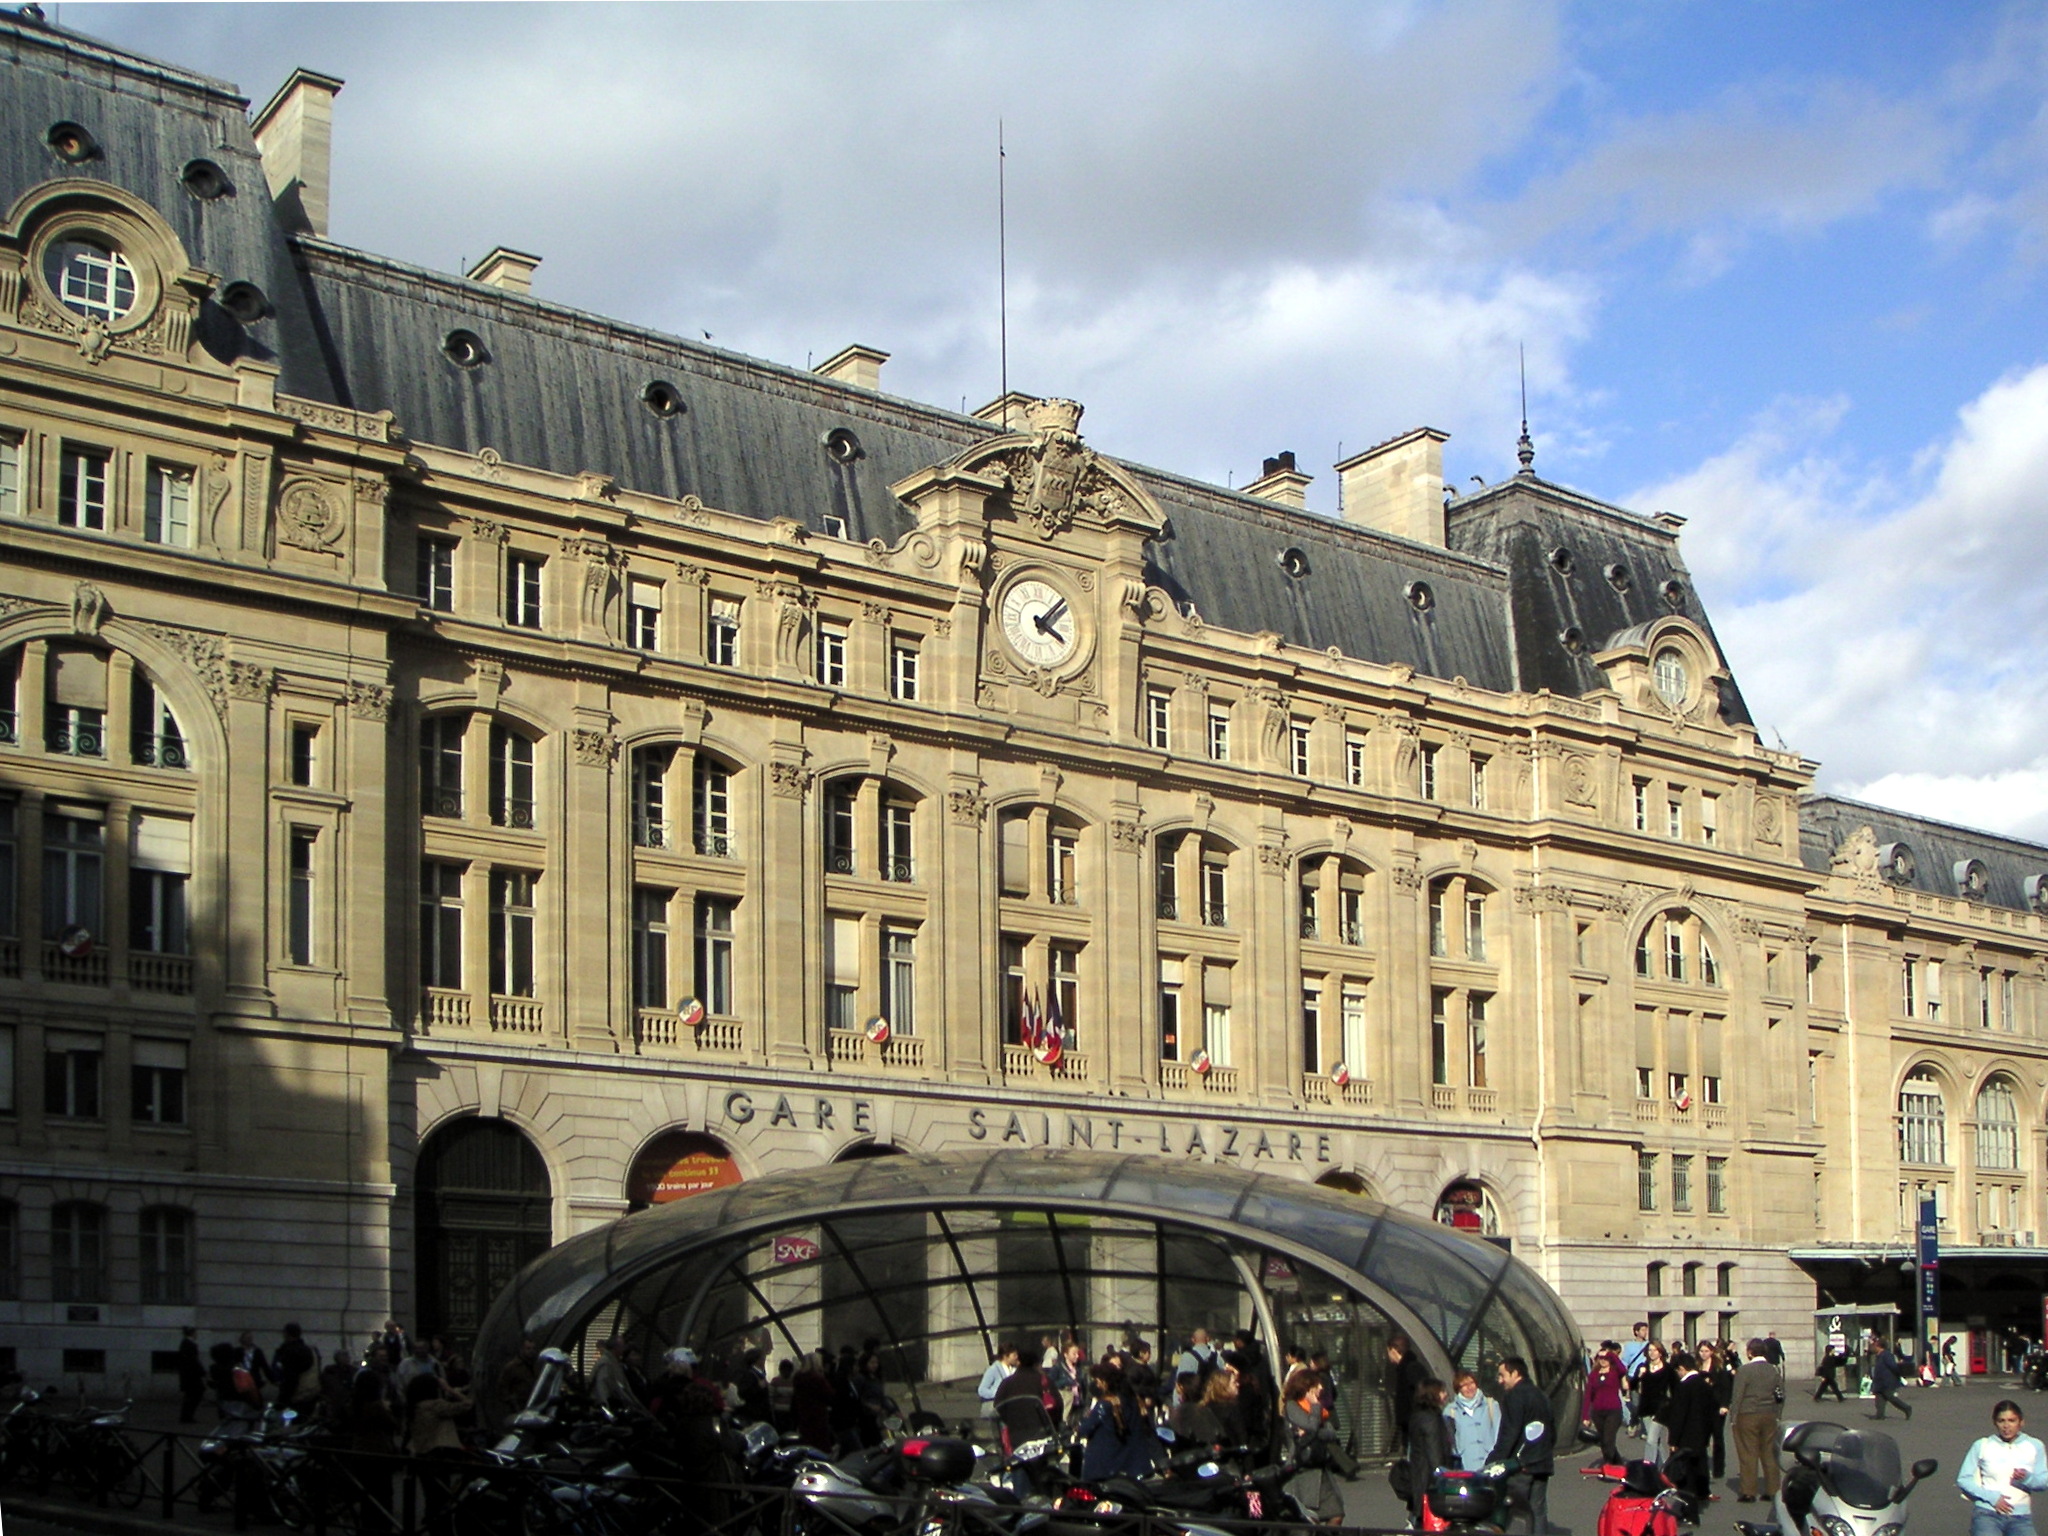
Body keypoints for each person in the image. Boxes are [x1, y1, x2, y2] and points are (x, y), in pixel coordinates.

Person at [1959, 1399, 2048, 1536]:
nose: (2006, 1426)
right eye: (2001, 1421)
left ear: (2021, 1422)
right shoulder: (1982, 1445)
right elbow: (1964, 1479)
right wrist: (1992, 1498)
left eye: (2011, 1420)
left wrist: (2027, 1478)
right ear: (1995, 1422)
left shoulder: (2034, 1446)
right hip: (1987, 1514)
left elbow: (2044, 1481)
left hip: (2021, 1517)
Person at [1487, 1357, 1554, 1536]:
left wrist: (1494, 1460)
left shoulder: (1515, 1396)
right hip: (1542, 1461)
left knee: (1514, 1511)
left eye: (1502, 1375)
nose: (1500, 1381)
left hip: (1520, 1463)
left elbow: (1510, 1433)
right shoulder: (1541, 1394)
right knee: (1537, 1511)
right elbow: (1551, 1431)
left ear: (1515, 1373)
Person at [1076, 1363, 1156, 1480]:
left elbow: (1086, 1428)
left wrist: (1078, 1427)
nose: (1097, 1385)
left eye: (1097, 1381)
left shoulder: (1105, 1405)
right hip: (1133, 1465)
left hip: (1105, 1467)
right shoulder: (1134, 1401)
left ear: (1105, 1382)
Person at [1730, 1338, 1784, 1504]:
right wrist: (1777, 1415)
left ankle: (1748, 1492)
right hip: (1768, 1414)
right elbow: (1780, 1394)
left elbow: (1738, 1395)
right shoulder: (1773, 1370)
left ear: (1750, 1352)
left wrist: (1734, 1417)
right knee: (1768, 1452)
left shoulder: (1744, 1371)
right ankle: (1772, 1490)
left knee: (1748, 1453)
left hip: (1747, 1414)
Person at [1661, 1351, 1715, 1504]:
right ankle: (1703, 1492)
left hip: (1687, 1434)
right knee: (1700, 1464)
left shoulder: (1684, 1387)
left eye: (1677, 1370)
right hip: (1701, 1432)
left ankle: (1688, 1504)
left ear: (1682, 1368)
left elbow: (1679, 1415)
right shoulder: (1703, 1384)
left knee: (1687, 1471)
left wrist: (1673, 1440)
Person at [1407, 1379, 1451, 1528]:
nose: (1446, 1395)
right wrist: (1443, 1477)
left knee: (1421, 1521)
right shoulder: (1430, 1419)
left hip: (1420, 1477)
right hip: (1429, 1481)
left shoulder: (1418, 1415)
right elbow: (1434, 1453)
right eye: (1442, 1391)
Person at [1445, 1370, 1500, 1472]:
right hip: (1466, 1465)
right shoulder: (1450, 1410)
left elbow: (1498, 1433)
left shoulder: (1491, 1405)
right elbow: (1450, 1439)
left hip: (1490, 1464)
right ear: (1458, 1389)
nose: (1469, 1387)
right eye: (1464, 1385)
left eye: (1471, 1383)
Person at [1386, 1336, 1428, 1451]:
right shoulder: (1407, 1368)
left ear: (1393, 1350)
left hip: (1414, 1426)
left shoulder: (1411, 1368)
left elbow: (1422, 1396)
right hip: (1410, 1425)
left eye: (1388, 1351)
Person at [1699, 1342, 1732, 1481]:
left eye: (1706, 1351)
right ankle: (1702, 1467)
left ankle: (1718, 1469)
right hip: (1701, 1407)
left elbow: (1726, 1388)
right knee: (1701, 1439)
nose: (1703, 1354)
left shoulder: (1719, 1367)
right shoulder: (1697, 1367)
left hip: (1717, 1407)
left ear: (1711, 1352)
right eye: (1701, 1351)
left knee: (1718, 1438)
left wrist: (1725, 1405)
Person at [1636, 1344, 1672, 1465]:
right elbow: (1632, 1386)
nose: (1651, 1353)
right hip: (1646, 1407)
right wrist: (1639, 1376)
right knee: (1657, 1441)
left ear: (1660, 1352)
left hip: (1660, 1409)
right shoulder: (1643, 1367)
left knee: (1651, 1439)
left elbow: (1675, 1388)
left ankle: (1648, 1467)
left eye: (1654, 1350)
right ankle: (1666, 1467)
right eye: (1649, 1350)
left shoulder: (1668, 1369)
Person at [587, 1335, 641, 1413]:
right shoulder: (606, 1363)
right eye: (622, 1346)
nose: (624, 1349)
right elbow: (602, 1387)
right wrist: (606, 1409)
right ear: (616, 1348)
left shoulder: (613, 1362)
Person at [275, 1322, 317, 1410]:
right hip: (308, 1391)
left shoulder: (288, 1351)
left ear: (286, 1334)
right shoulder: (307, 1350)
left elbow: (289, 1375)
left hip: (293, 1392)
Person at [1870, 1337, 1913, 1421]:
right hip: (1879, 1381)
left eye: (1875, 1345)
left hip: (1887, 1381)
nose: (1873, 1347)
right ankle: (1880, 1415)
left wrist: (1897, 1376)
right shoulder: (1878, 1356)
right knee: (1879, 1397)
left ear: (1879, 1346)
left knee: (1889, 1396)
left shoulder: (1887, 1355)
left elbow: (1893, 1366)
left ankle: (1906, 1408)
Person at [1620, 1323, 1650, 1432]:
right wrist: (1624, 1378)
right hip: (1634, 1377)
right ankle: (1634, 1421)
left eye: (1646, 1330)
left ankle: (1645, 1430)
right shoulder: (1629, 1346)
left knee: (1646, 1404)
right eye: (1642, 1330)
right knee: (1636, 1404)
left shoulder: (1649, 1345)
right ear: (1636, 1332)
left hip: (1647, 1377)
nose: (1645, 1332)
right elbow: (1624, 1363)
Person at [175, 1326, 206, 1424]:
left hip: (189, 1375)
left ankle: (187, 1415)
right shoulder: (189, 1344)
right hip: (191, 1375)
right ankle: (187, 1416)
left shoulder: (186, 1344)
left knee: (191, 1395)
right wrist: (202, 1372)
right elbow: (193, 1360)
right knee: (195, 1394)